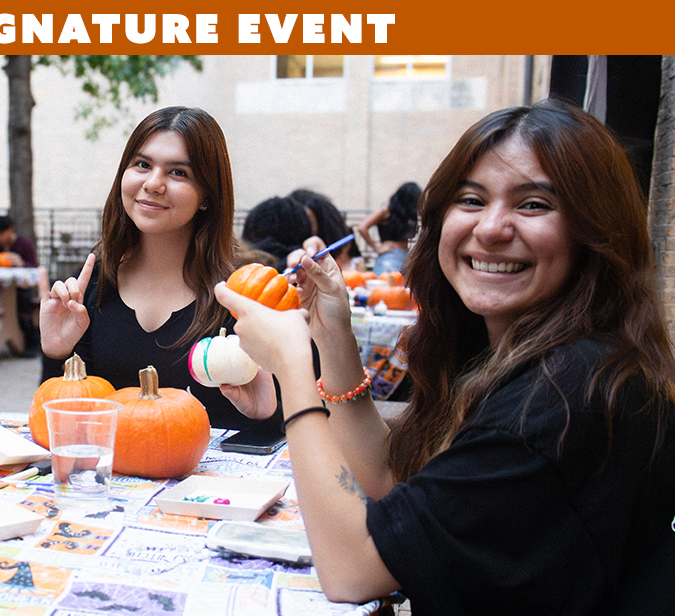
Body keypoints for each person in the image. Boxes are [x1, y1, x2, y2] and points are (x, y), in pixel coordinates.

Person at [216, 98, 675, 613]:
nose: (491, 228)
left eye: (533, 204)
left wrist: (294, 370)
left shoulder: (567, 396)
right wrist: (332, 338)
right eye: (472, 199)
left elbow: (353, 570)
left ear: (595, 232)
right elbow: (391, 482)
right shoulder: (517, 357)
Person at [41, 106, 280, 433]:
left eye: (178, 172)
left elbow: (298, 437)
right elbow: (64, 427)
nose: (154, 183)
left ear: (207, 196)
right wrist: (56, 353)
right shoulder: (92, 288)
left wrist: (266, 415)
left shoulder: (245, 295)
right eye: (142, 164)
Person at [0, 215, 41, 356]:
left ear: (10, 230)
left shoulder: (23, 244)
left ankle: (29, 343)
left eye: (2, 233)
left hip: (21, 288)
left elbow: (34, 267)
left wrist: (21, 263)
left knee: (23, 304)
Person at [355, 181, 422, 275]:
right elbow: (362, 227)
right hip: (390, 255)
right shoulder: (387, 210)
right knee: (388, 285)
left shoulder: (408, 213)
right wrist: (377, 247)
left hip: (405, 255)